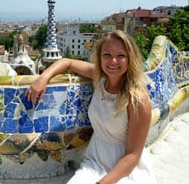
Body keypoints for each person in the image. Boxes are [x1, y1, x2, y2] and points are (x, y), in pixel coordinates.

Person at [26, 30, 157, 184]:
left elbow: (133, 155)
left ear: (130, 59)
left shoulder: (137, 99)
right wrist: (43, 77)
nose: (113, 61)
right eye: (107, 55)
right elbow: (67, 62)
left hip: (126, 170)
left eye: (121, 56)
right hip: (95, 162)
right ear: (100, 58)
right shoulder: (100, 78)